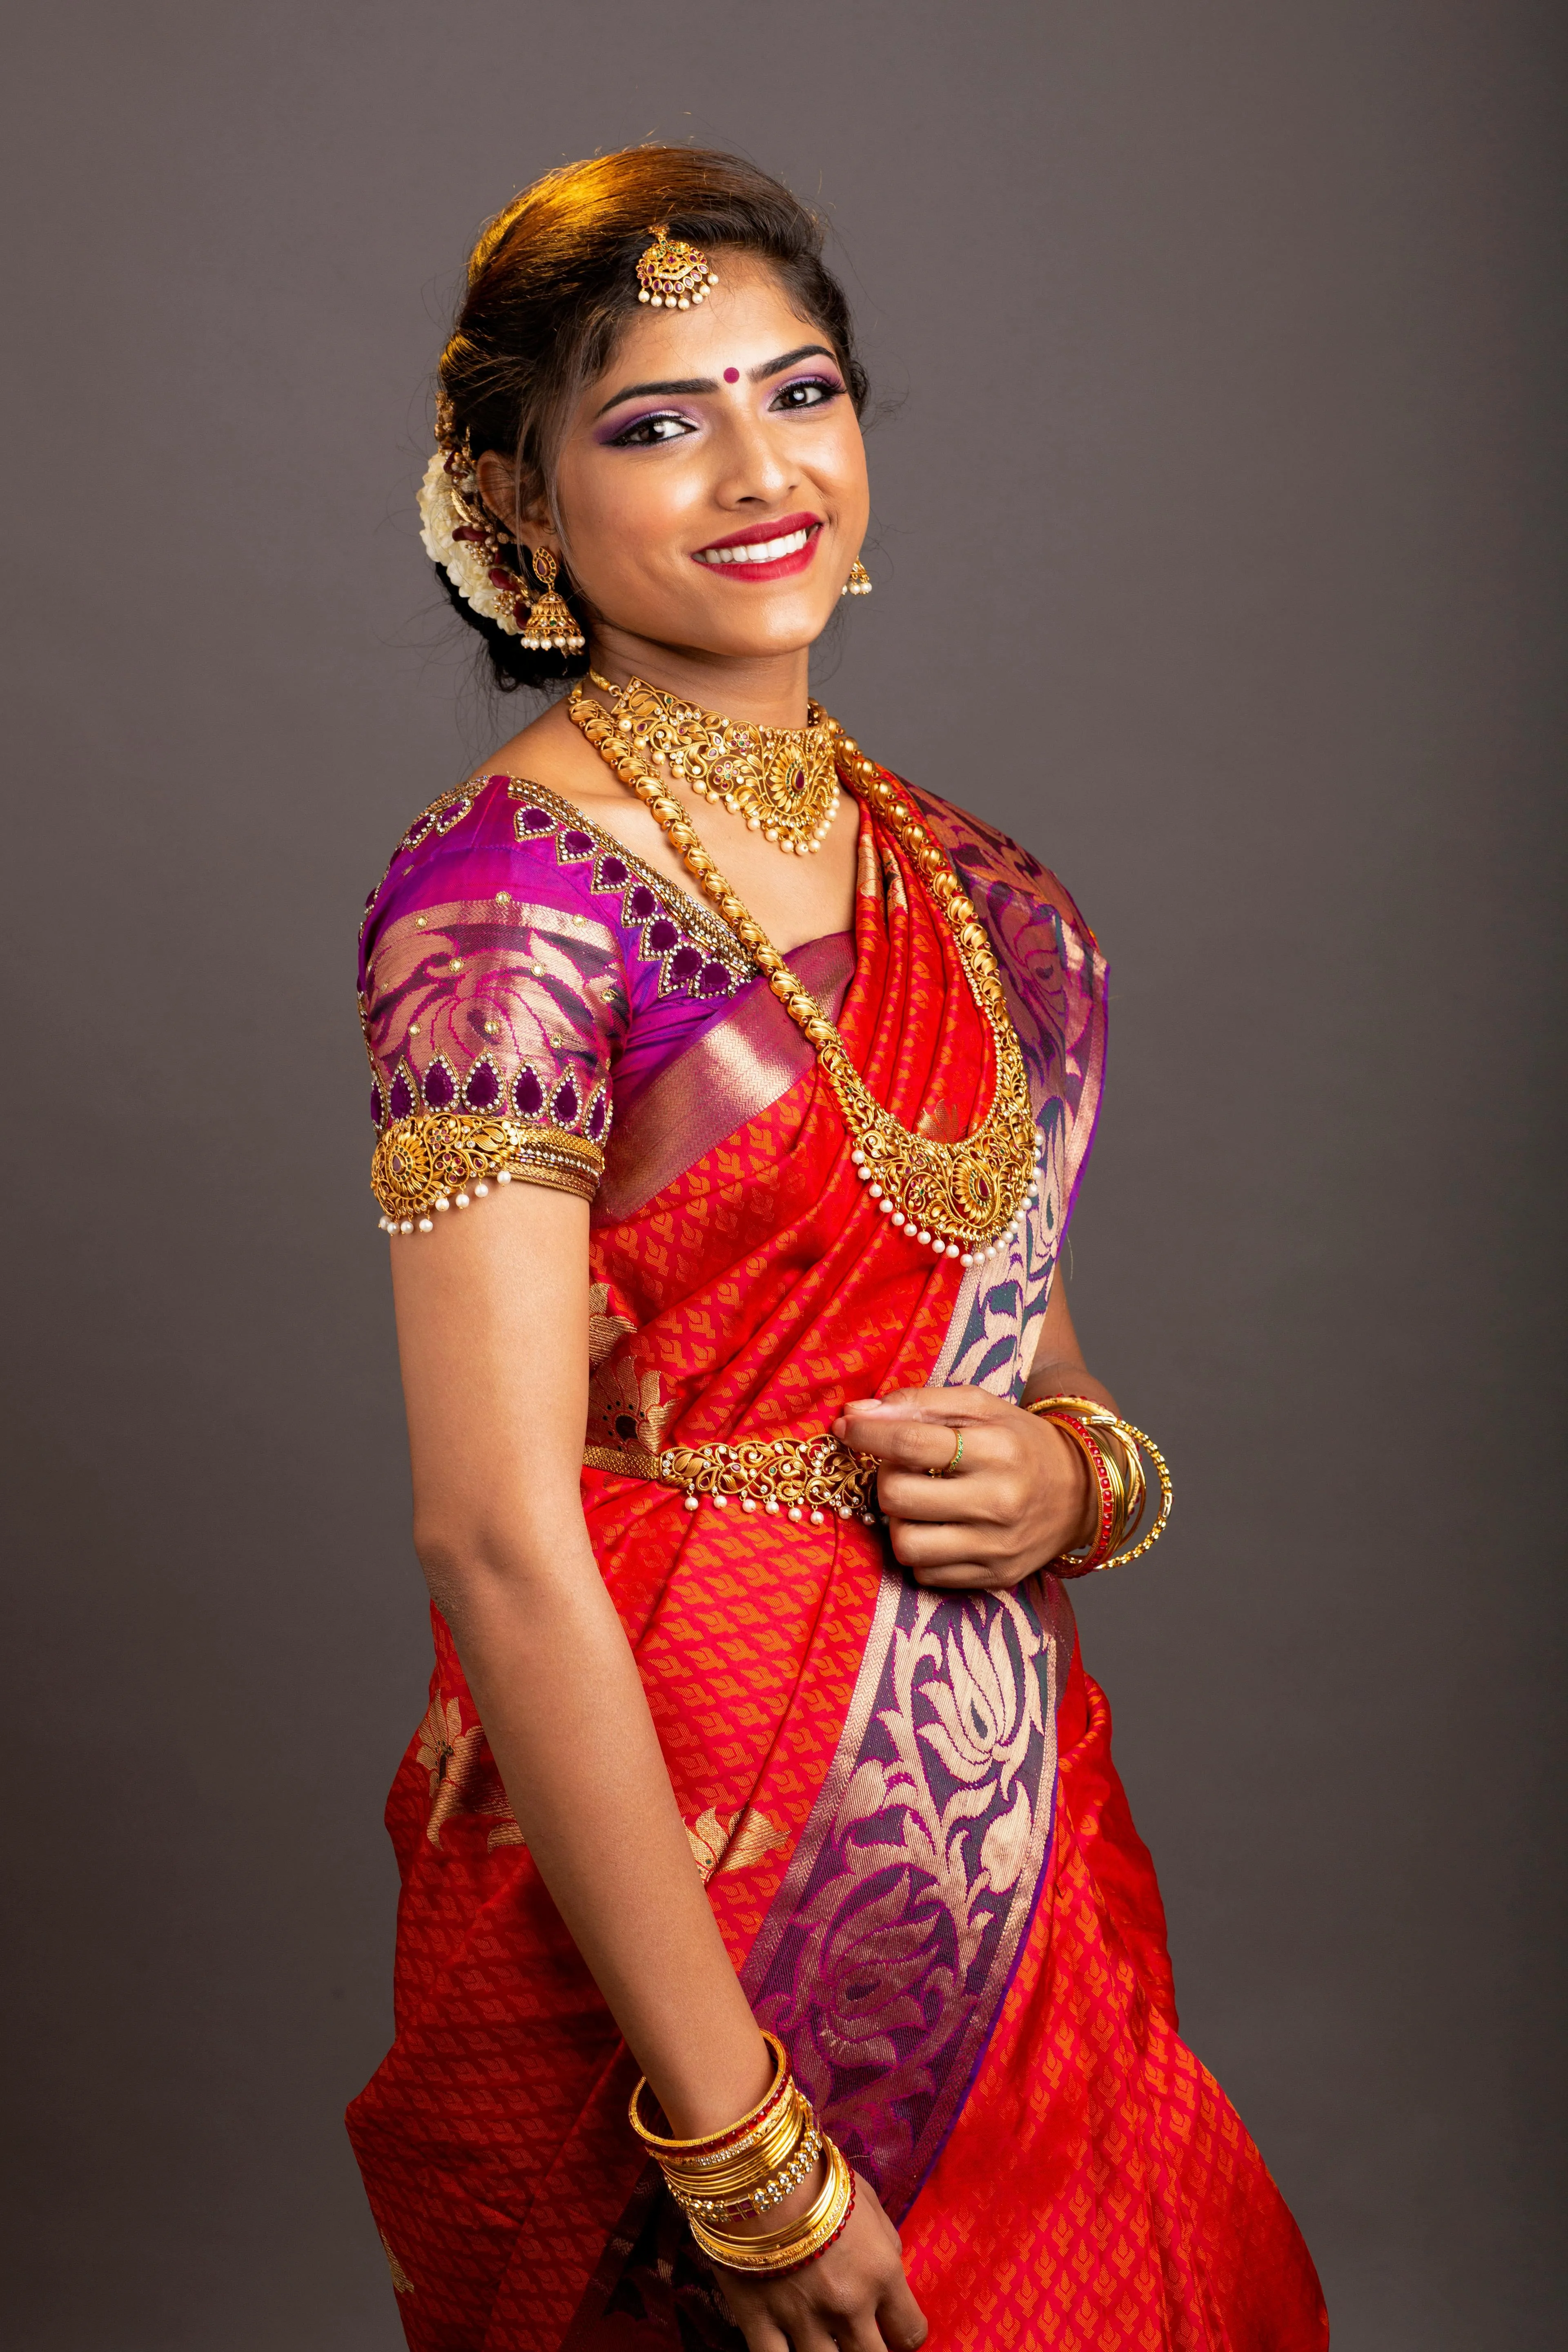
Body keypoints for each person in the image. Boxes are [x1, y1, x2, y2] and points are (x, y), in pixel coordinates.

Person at [347, 145, 1328, 2352]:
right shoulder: (510, 906)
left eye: (799, 392)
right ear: (517, 508)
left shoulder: (978, 893)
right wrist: (733, 2131)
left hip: (999, 1818)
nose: (756, 469)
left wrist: (1088, 1478)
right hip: (685, 1894)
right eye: (654, 421)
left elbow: (1043, 1368)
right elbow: (494, 1532)